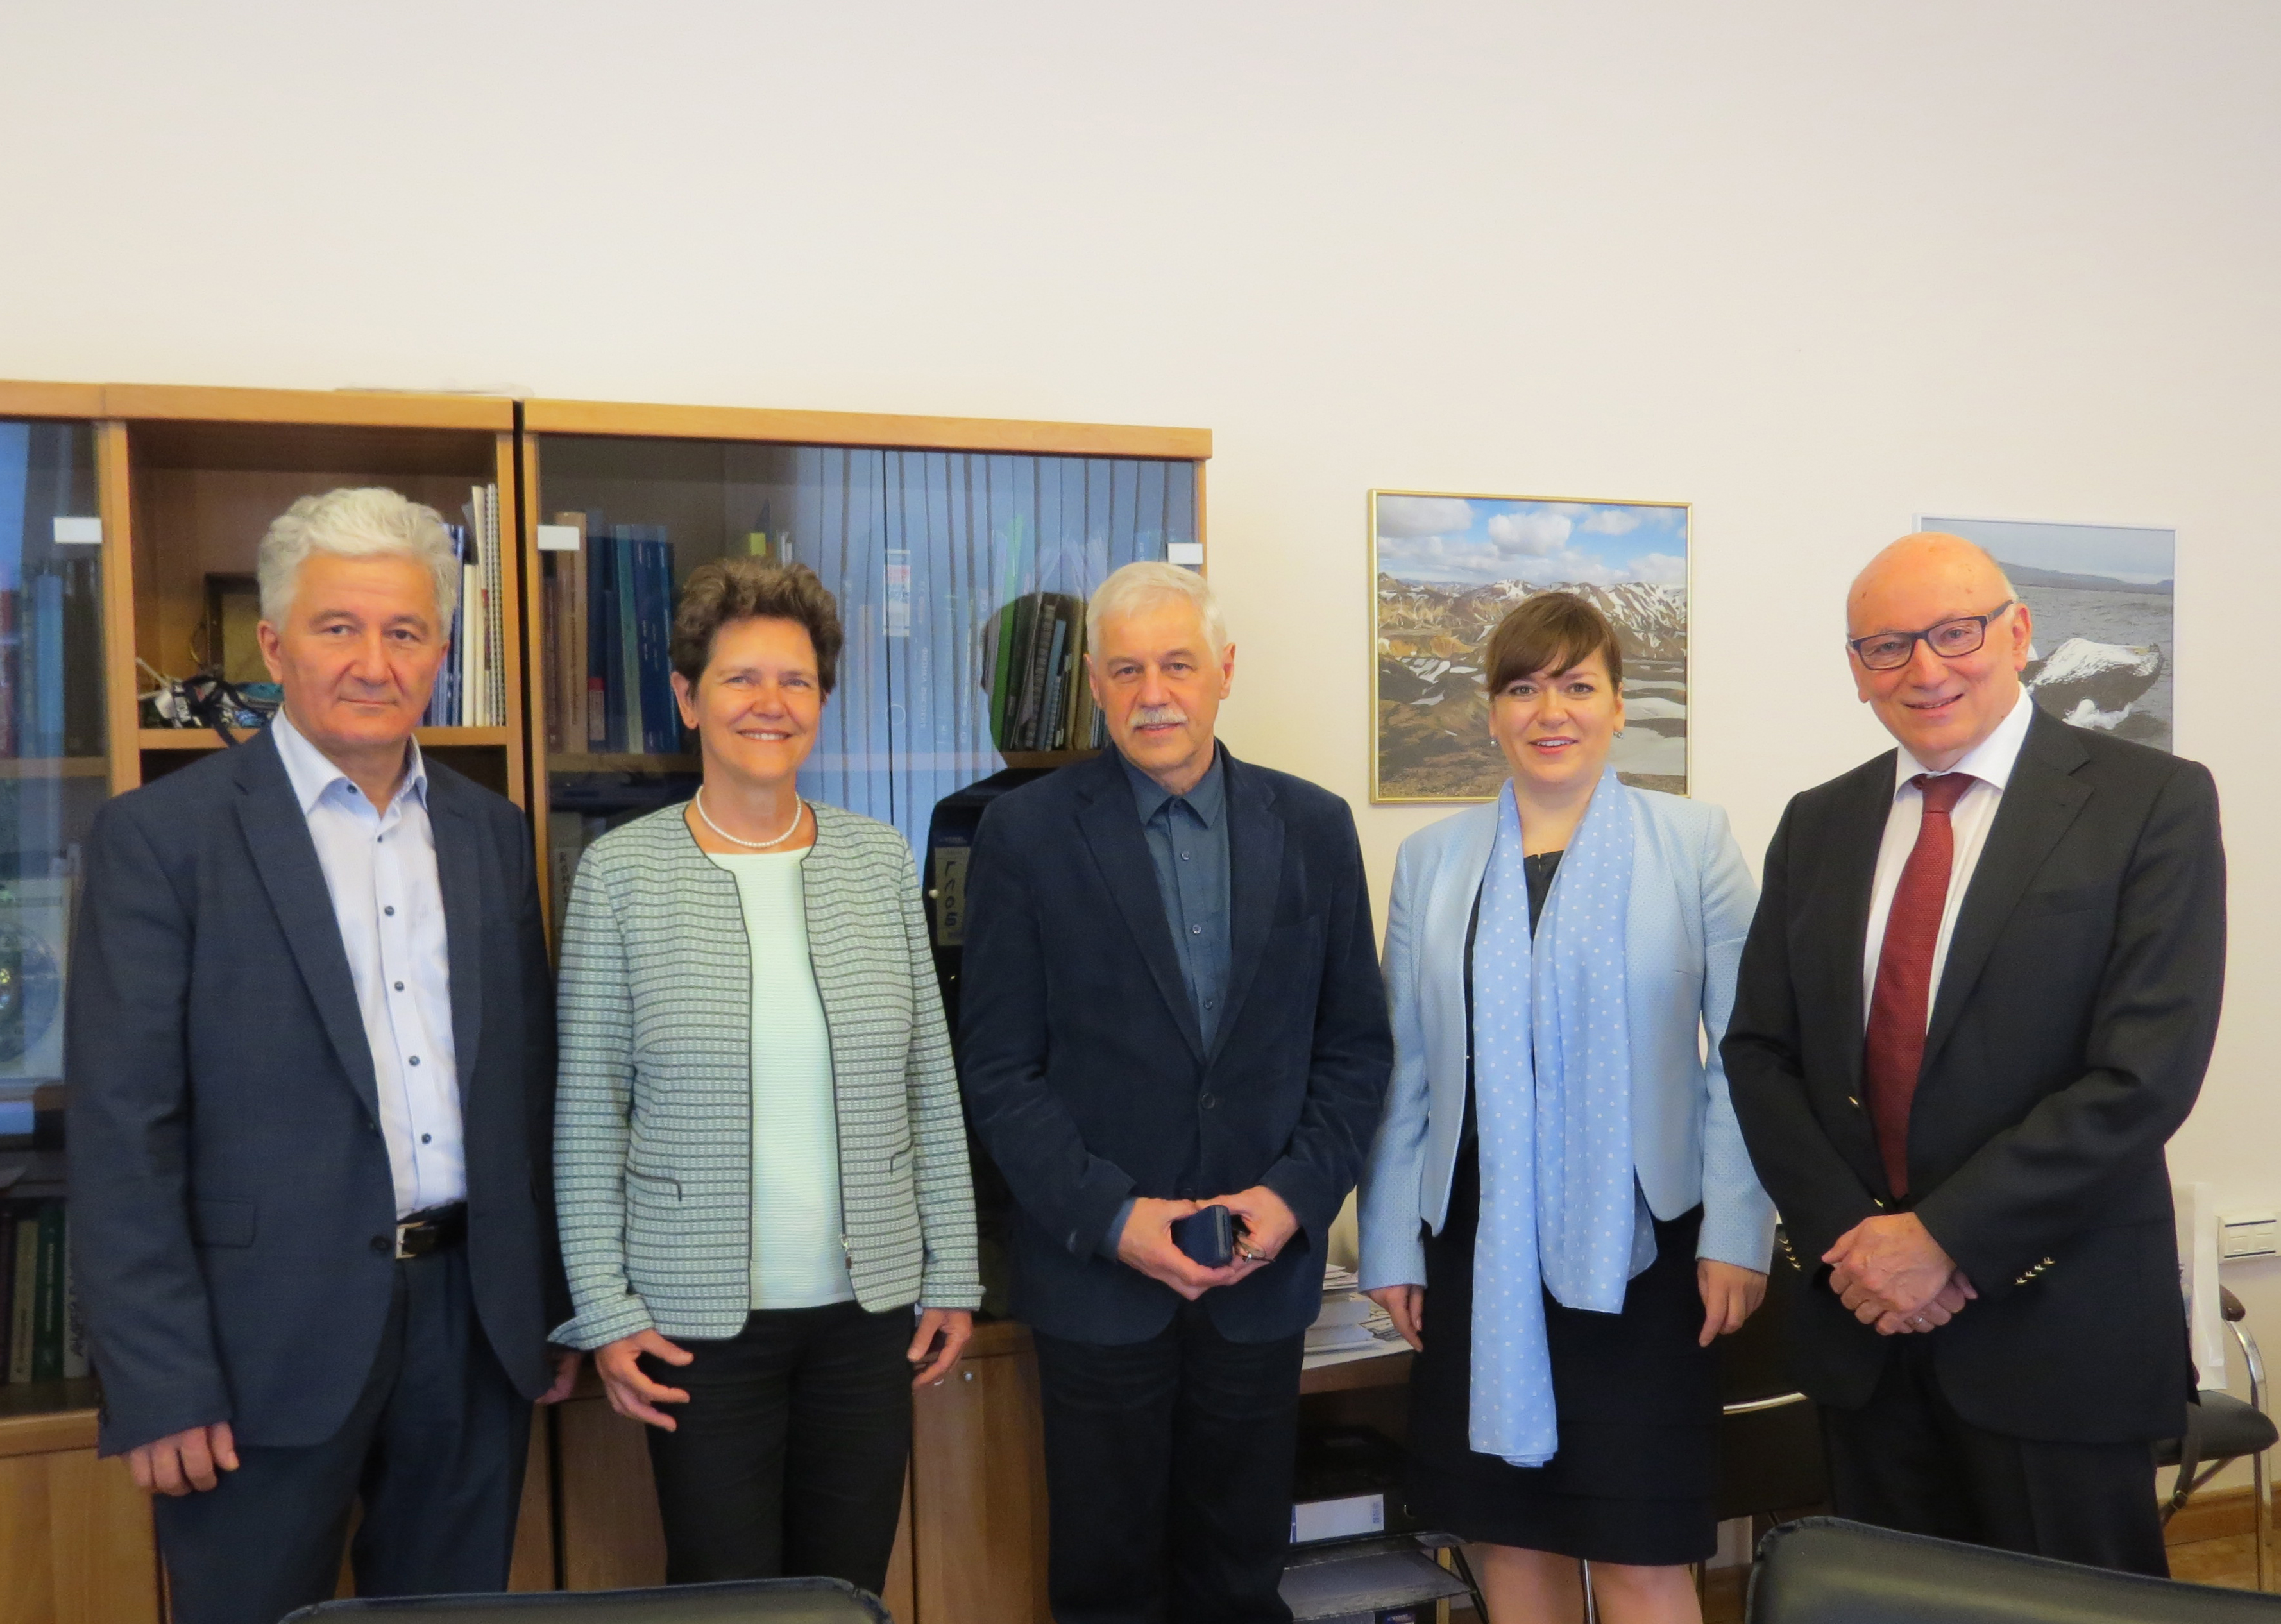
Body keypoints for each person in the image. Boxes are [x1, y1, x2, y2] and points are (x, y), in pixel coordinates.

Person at [66, 487, 576, 1624]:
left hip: (474, 1332)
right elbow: (121, 1128)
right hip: (254, 1350)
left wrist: (542, 1305)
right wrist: (156, 1380)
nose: (372, 662)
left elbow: (523, 1089)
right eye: (338, 627)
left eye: (405, 633)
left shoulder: (494, 836)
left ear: (442, 654)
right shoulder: (164, 838)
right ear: (272, 644)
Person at [1723, 532, 2226, 1575]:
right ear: (1857, 671)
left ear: (2020, 634)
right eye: (1887, 646)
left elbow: (2143, 1073)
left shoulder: (2151, 804)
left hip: (2058, 1330)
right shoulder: (1816, 824)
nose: (1926, 668)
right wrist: (1857, 1243)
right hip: (1865, 1334)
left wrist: (1942, 1239)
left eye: (1955, 633)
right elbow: (1760, 1053)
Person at [959, 561, 1393, 1624]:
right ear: (1097, 689)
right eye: (1126, 670)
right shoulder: (1024, 837)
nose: (1154, 691)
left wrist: (1289, 1203)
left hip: (1260, 1283)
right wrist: (1113, 1219)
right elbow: (1001, 1071)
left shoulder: (1316, 828)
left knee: (1241, 1581)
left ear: (1224, 673)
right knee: (1107, 1587)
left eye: (1177, 664)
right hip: (1098, 1287)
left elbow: (1355, 1051)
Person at [551, 558, 979, 1591]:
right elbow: (588, 1111)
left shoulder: (877, 860)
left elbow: (932, 1083)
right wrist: (605, 1310)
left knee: (846, 1593)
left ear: (823, 702)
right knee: (724, 1595)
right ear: (689, 698)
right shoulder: (620, 874)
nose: (770, 704)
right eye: (741, 679)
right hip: (694, 1327)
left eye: (795, 681)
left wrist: (954, 1271)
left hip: (869, 1318)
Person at [1356, 592, 1774, 1624]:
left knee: (1640, 1555)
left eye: (1578, 685)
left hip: (1647, 1254)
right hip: (1476, 1253)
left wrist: (1740, 1233)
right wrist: (1392, 1246)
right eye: (1524, 687)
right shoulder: (1433, 862)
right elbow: (1404, 1068)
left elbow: (1749, 1058)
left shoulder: (1695, 842)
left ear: (1620, 705)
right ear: (1492, 712)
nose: (1553, 710)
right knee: (1511, 1547)